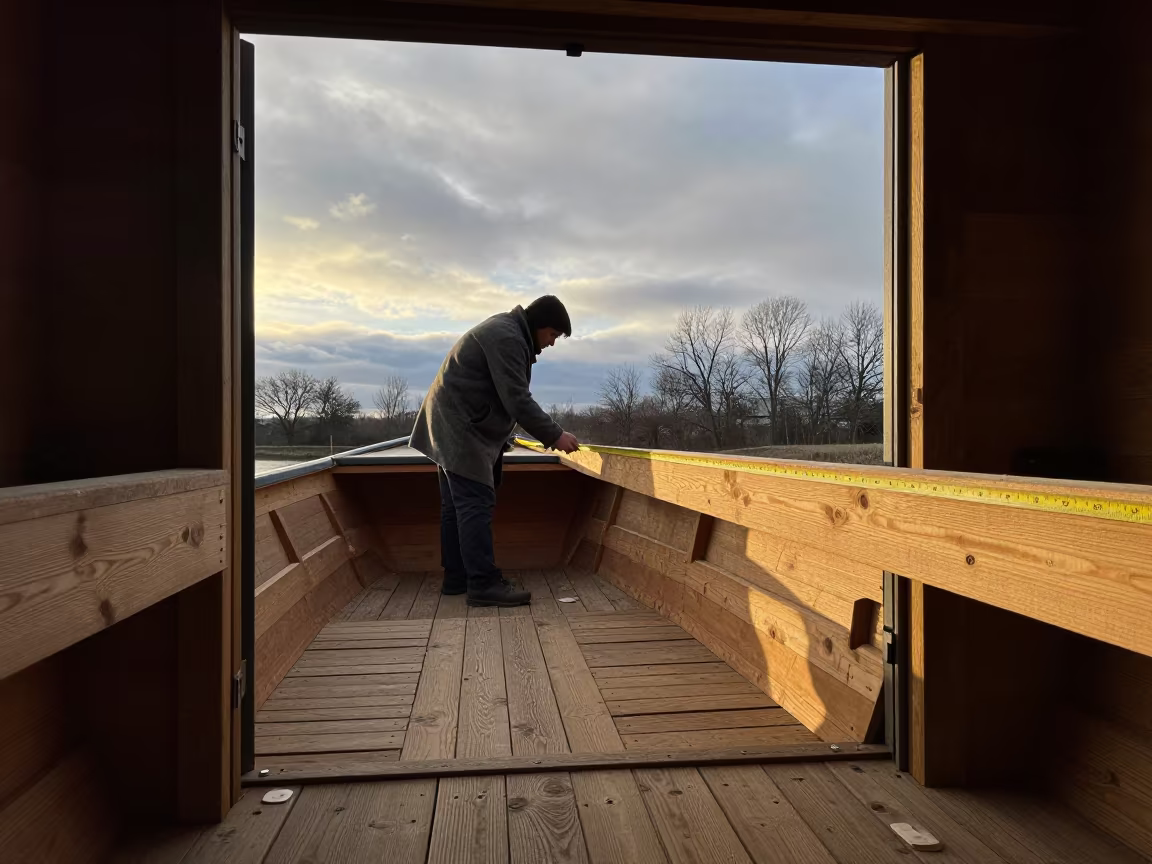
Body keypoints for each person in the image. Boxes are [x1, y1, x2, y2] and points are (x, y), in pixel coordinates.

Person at [410, 296, 580, 607]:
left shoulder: (507, 330)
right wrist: (555, 435)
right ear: (541, 326)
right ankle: (483, 585)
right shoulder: (508, 337)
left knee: (456, 508)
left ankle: (457, 579)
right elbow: (516, 398)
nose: (552, 344)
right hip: (460, 429)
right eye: (553, 335)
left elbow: (500, 395)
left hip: (449, 423)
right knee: (476, 503)